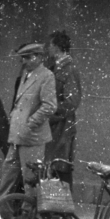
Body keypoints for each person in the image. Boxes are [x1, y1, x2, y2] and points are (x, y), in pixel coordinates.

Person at [0, 42, 58, 198]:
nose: (23, 61)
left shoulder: (46, 76)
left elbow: (50, 106)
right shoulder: (25, 74)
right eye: (22, 58)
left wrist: (30, 123)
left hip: (32, 136)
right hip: (18, 134)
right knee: (8, 172)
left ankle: (29, 212)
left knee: (30, 177)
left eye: (27, 58)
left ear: (38, 57)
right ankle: (1, 209)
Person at [44, 30, 83, 186]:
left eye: (50, 45)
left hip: (63, 127)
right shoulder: (55, 68)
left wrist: (52, 111)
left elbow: (72, 102)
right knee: (52, 169)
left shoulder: (69, 69)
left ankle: (64, 209)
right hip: (54, 127)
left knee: (61, 169)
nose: (48, 48)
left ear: (57, 46)